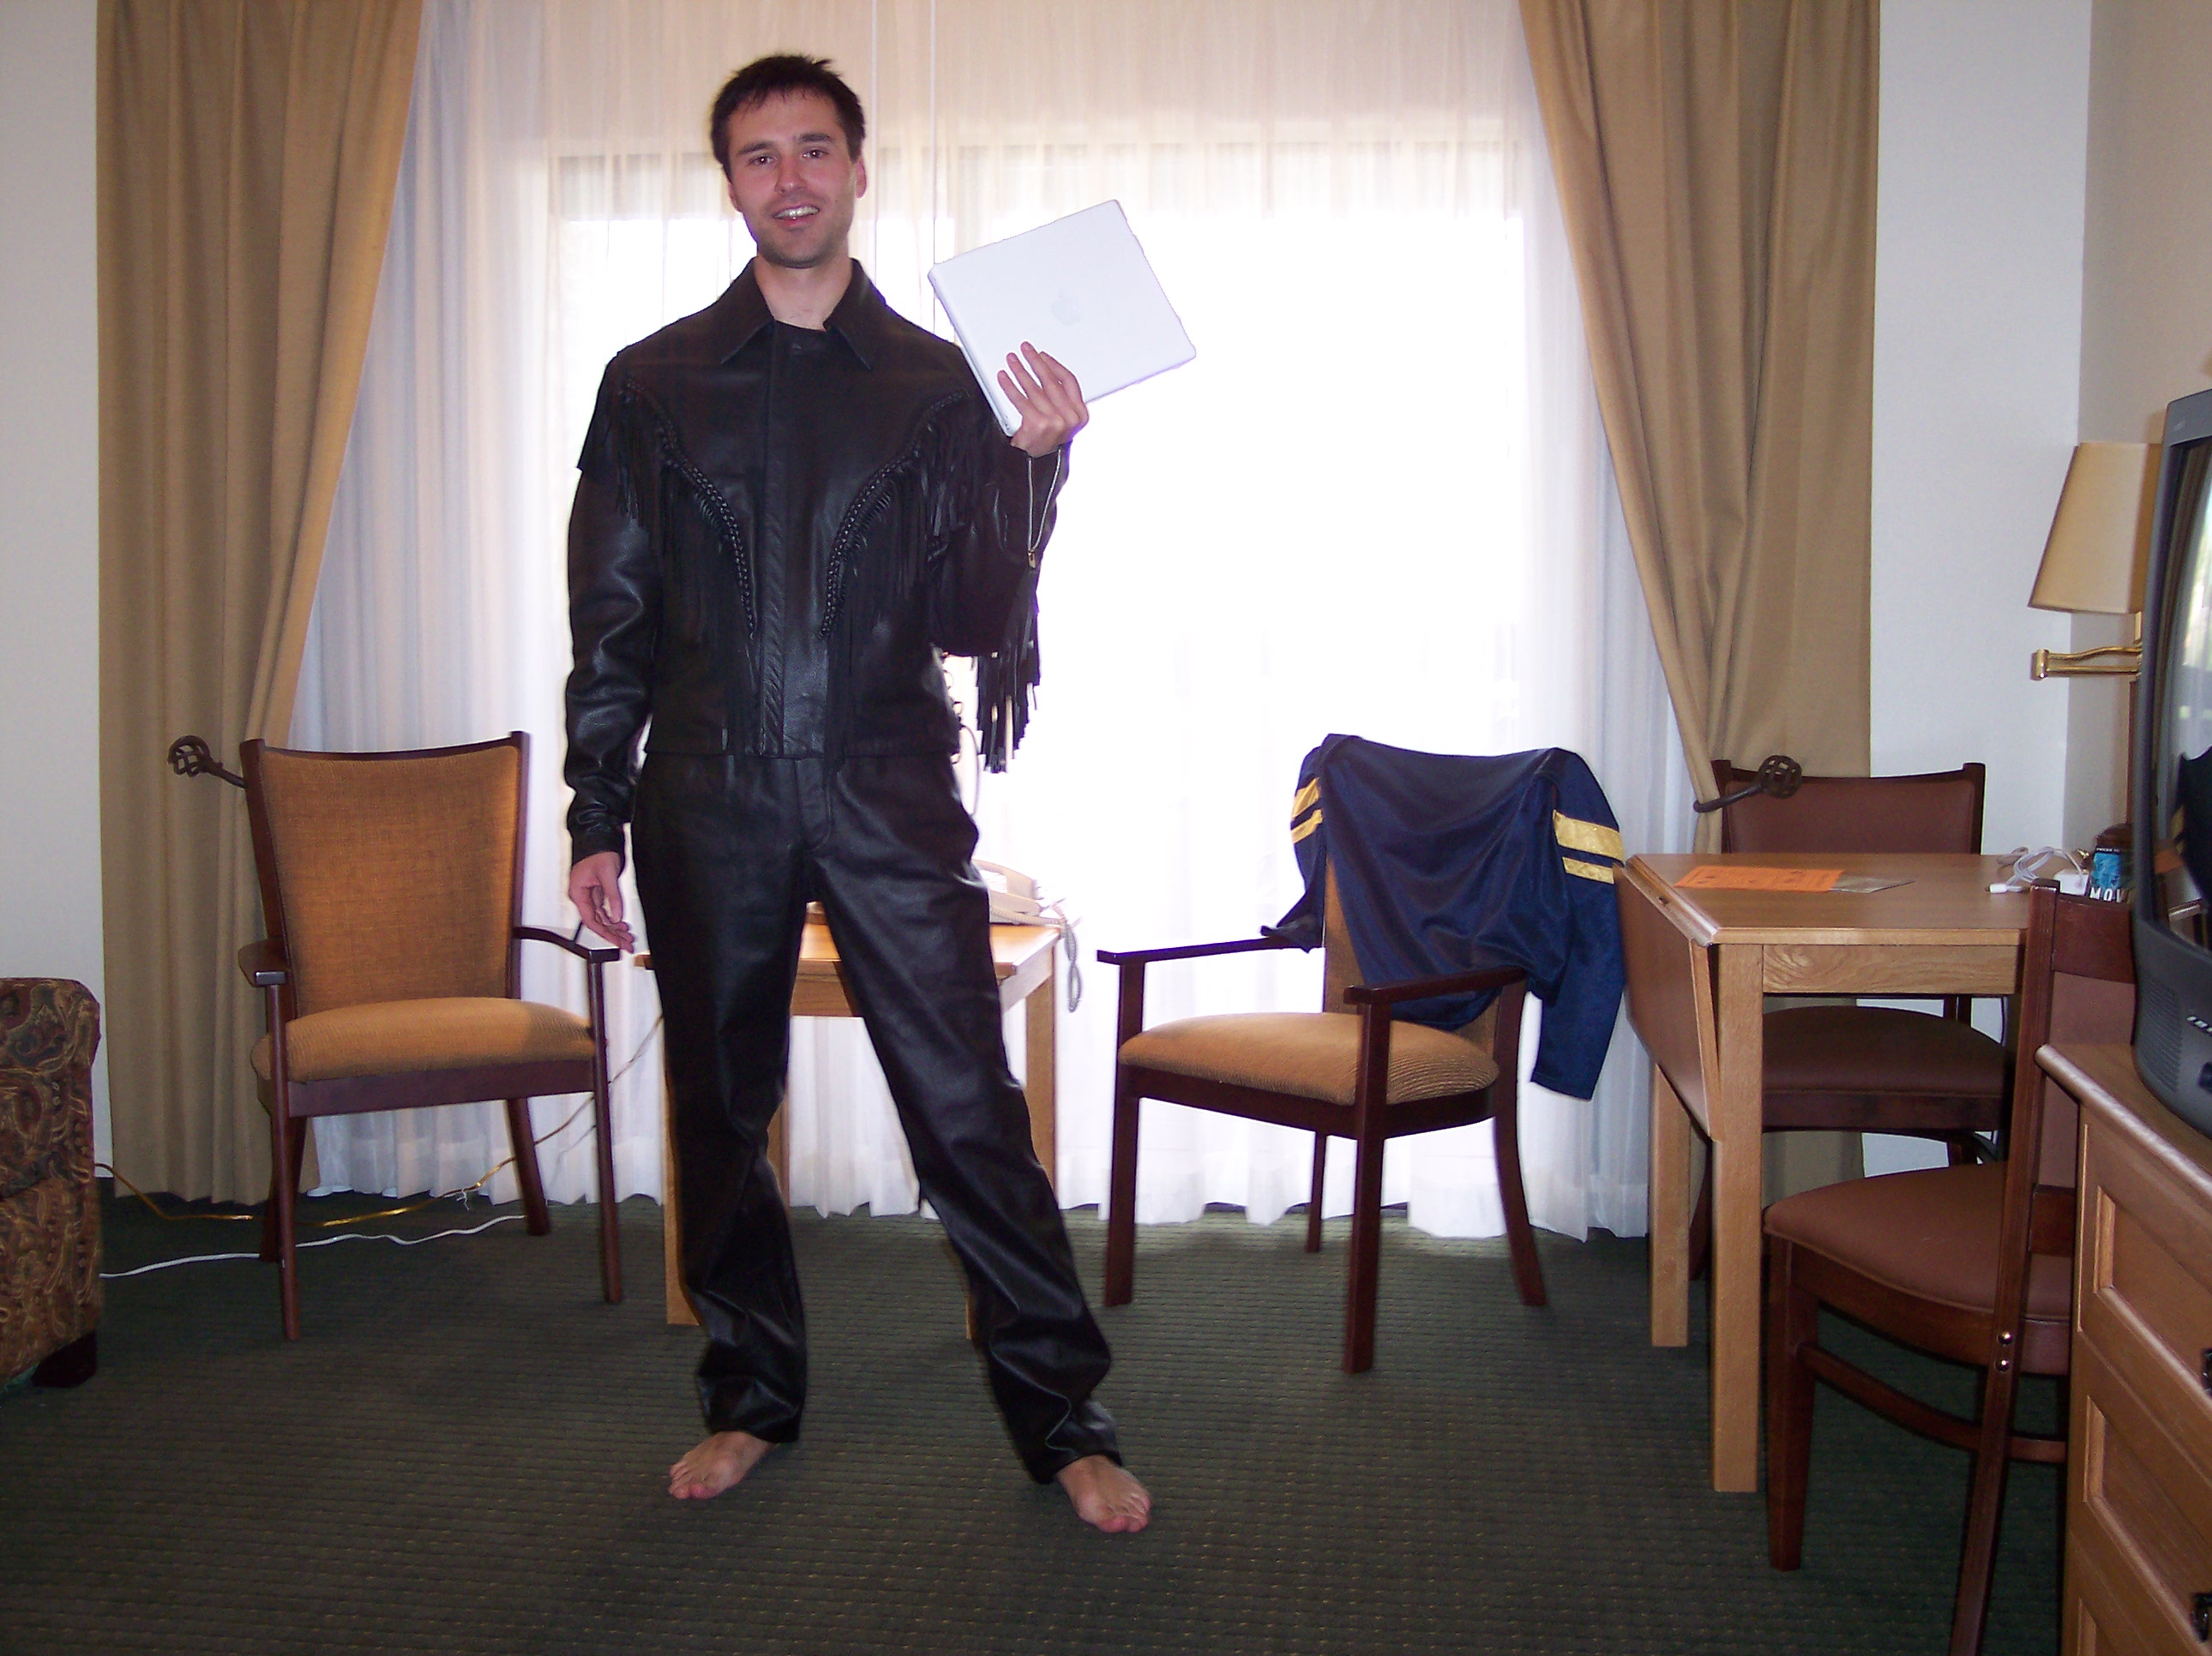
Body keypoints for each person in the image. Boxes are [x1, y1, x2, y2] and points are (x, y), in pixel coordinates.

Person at [562, 54, 1150, 1534]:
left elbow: (972, 618)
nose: (791, 179)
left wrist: (1036, 466)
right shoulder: (650, 383)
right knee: (719, 1112)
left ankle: (1063, 1419)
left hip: (890, 786)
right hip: (704, 796)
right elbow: (611, 619)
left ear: (859, 169)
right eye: (760, 156)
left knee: (966, 1108)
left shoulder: (943, 382)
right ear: (730, 182)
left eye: (815, 149)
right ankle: (748, 1398)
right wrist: (592, 812)